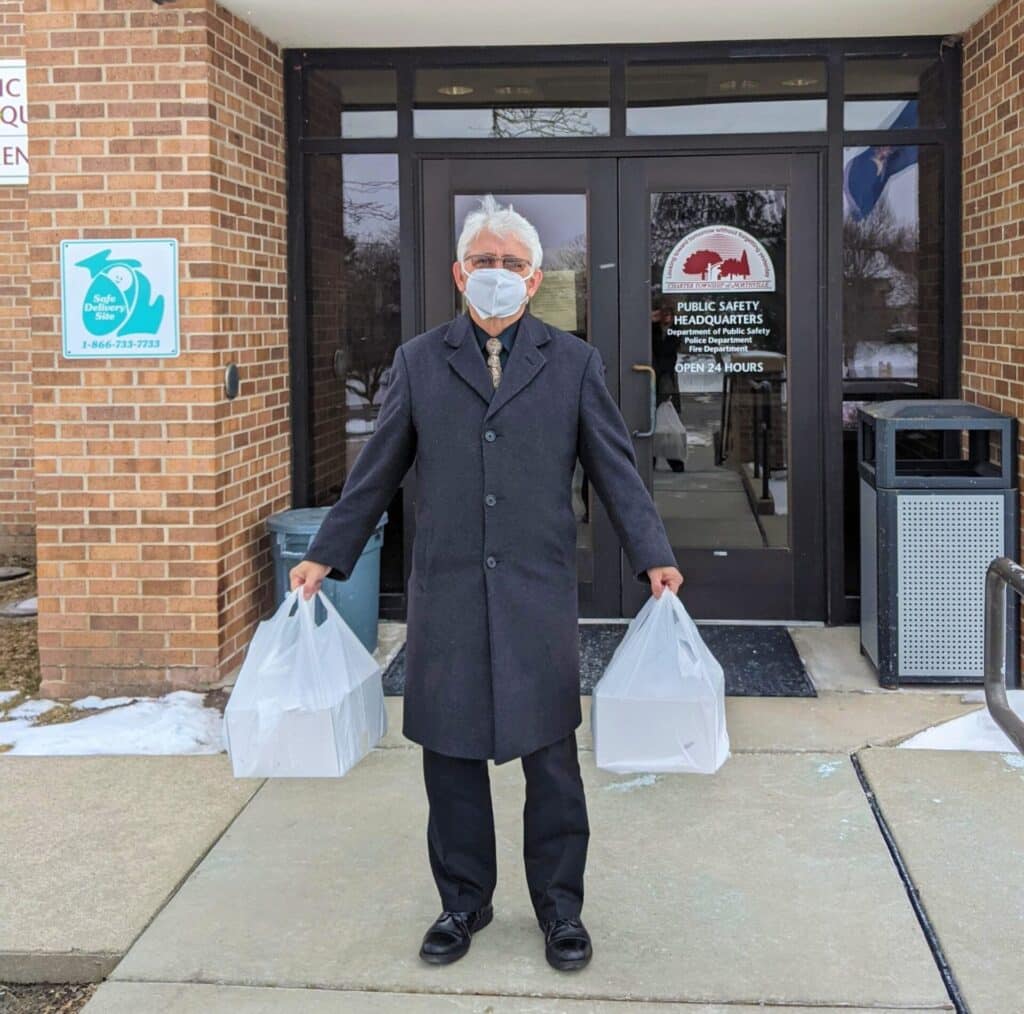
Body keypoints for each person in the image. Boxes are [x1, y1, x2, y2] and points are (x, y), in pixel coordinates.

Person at [289, 195, 684, 972]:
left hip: (536, 590)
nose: (496, 275)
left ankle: (560, 910)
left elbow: (613, 465)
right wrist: (327, 554)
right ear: (457, 274)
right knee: (451, 757)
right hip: (451, 590)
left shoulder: (572, 363)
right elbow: (377, 471)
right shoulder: (417, 361)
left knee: (551, 761)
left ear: (535, 280)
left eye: (511, 263)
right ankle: (462, 901)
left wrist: (652, 551)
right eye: (484, 262)